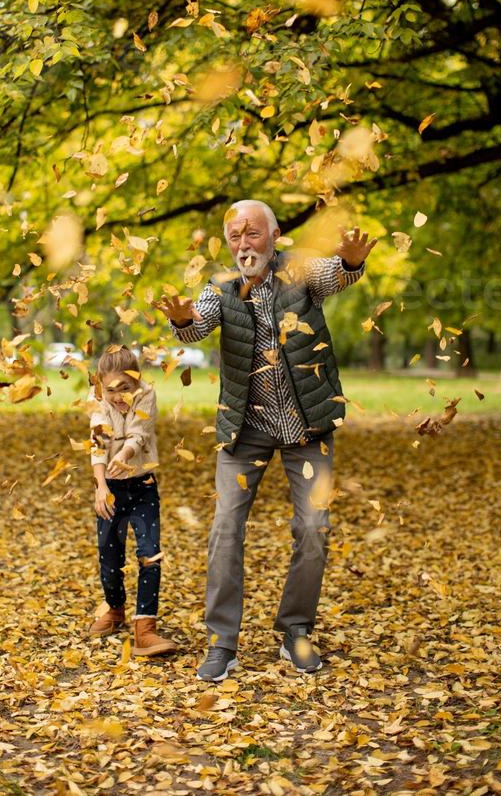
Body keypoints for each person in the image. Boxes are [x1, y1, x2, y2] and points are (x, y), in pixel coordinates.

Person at [157, 200, 376, 681]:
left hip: (306, 427)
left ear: (275, 235)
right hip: (245, 430)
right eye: (235, 236)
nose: (243, 244)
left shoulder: (301, 272)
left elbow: (335, 275)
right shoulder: (220, 288)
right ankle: (222, 642)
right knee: (225, 529)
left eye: (252, 234)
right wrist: (180, 321)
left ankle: (295, 631)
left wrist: (352, 263)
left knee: (314, 529)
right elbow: (198, 323)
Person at [87, 344, 176, 657]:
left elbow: (140, 434)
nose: (117, 396)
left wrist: (123, 455)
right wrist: (100, 486)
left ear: (136, 381)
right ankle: (115, 609)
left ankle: (145, 628)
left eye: (124, 388)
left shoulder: (147, 395)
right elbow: (97, 445)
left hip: (142, 486)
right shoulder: (97, 401)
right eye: (110, 389)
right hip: (110, 486)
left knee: (150, 553)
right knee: (109, 556)